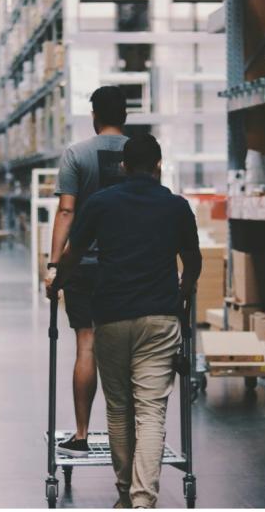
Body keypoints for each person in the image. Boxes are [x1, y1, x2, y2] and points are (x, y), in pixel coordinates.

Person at [48, 134, 202, 508]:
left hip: (112, 317)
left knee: (119, 409)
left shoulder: (101, 204)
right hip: (160, 318)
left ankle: (123, 493)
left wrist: (57, 280)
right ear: (159, 165)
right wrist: (183, 290)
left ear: (123, 167)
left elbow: (74, 253)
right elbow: (193, 260)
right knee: (151, 411)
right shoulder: (177, 206)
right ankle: (143, 499)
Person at [45, 85, 129, 457]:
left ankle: (81, 436)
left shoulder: (77, 154)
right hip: (127, 265)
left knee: (86, 345)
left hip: (84, 265)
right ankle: (126, 434)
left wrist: (53, 265)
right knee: (128, 348)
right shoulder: (140, 153)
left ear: (94, 115)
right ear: (125, 115)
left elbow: (66, 211)